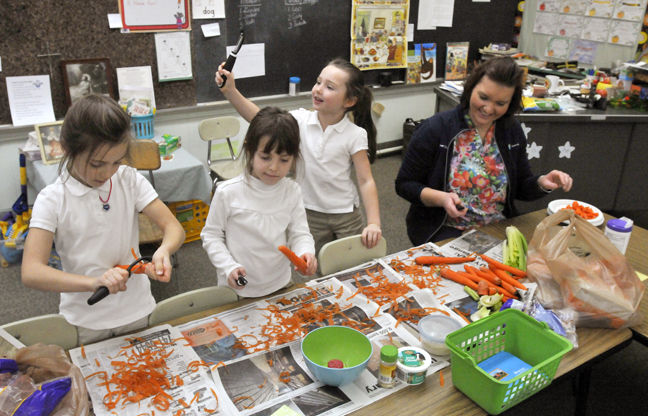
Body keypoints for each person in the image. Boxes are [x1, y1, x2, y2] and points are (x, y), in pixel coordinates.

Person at [21, 94, 186, 344]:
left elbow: (173, 227)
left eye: (116, 162)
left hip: (137, 310)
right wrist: (93, 282)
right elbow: (32, 271)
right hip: (85, 319)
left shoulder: (128, 179)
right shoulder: (53, 198)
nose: (107, 172)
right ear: (67, 148)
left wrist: (164, 249)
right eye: (97, 164)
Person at [395, 57, 573, 245]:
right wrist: (441, 198)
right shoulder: (436, 129)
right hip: (445, 229)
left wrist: (542, 183)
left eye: (500, 103)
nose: (488, 109)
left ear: (510, 103)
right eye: (483, 97)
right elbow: (404, 184)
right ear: (471, 88)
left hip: (499, 227)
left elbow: (520, 186)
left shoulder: (511, 131)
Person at [215, 58, 382, 255]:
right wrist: (231, 91)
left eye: (329, 87)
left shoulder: (355, 134)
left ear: (350, 101)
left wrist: (374, 223)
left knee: (353, 264)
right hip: (308, 212)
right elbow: (260, 118)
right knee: (315, 266)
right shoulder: (300, 120)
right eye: (318, 82)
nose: (318, 89)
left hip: (345, 214)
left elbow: (365, 180)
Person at [201, 107, 317, 297]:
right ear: (250, 150)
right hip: (238, 288)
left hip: (281, 283)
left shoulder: (292, 190)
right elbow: (211, 236)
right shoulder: (227, 192)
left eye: (284, 160)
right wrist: (228, 267)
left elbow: (300, 233)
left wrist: (306, 252)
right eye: (265, 157)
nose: (274, 167)